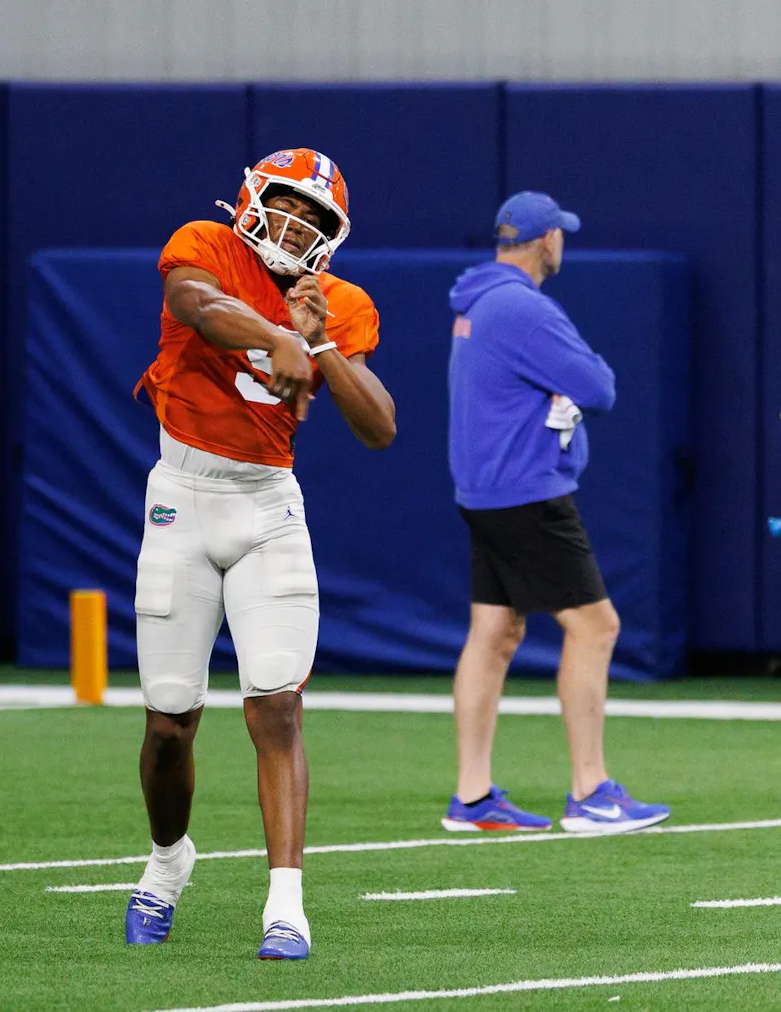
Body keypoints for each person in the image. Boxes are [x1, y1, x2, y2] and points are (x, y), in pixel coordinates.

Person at [124, 149, 396, 960]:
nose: (296, 224)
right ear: (251, 198)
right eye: (287, 205)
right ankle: (169, 862)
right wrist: (280, 332)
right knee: (170, 721)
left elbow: (380, 425)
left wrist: (321, 349)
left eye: (316, 218)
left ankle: (286, 904)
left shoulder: (340, 302)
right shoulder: (205, 243)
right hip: (181, 494)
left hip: (267, 503)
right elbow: (196, 304)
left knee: (276, 704)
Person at [443, 191, 668, 835]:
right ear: (546, 241)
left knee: (495, 633)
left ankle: (473, 797)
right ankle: (591, 792)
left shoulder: (481, 301)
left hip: (485, 491)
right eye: (559, 235)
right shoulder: (522, 307)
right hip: (524, 494)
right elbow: (599, 387)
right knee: (596, 628)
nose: (561, 244)